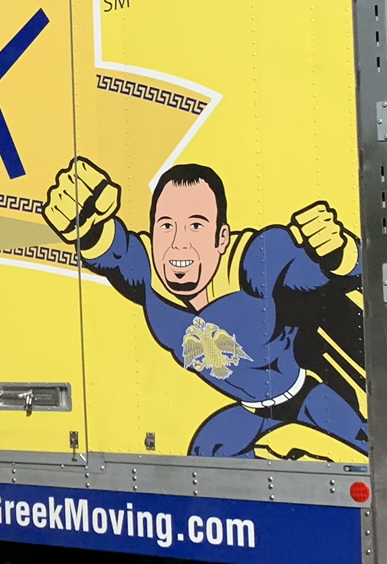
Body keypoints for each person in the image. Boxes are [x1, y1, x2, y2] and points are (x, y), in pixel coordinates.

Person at [42, 157, 368, 459]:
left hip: (303, 397)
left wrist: (337, 251)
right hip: (251, 410)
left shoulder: (253, 261)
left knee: (366, 448)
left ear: (221, 237)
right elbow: (112, 252)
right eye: (166, 226)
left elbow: (314, 270)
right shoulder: (148, 274)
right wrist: (85, 223)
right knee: (206, 452)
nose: (178, 244)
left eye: (196, 226)